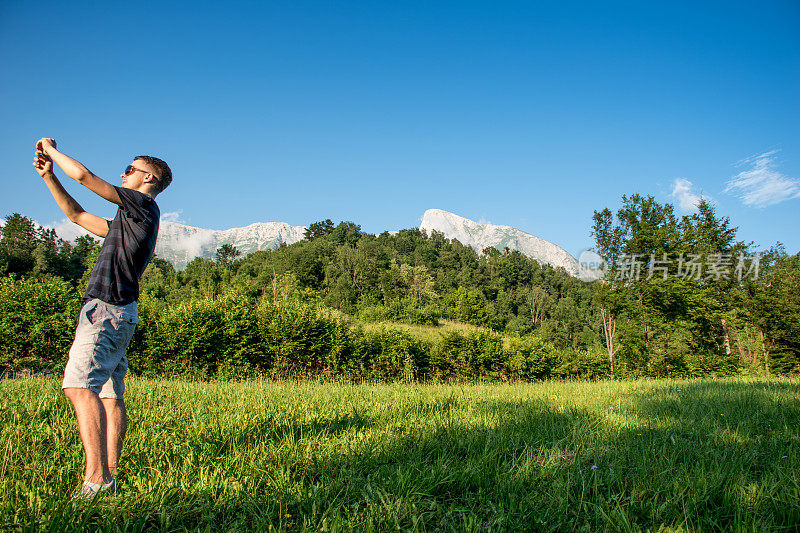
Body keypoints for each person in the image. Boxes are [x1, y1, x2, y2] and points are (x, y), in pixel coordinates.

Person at [33, 138, 172, 498]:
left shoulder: (142, 206)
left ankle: (97, 480)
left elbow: (83, 176)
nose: (123, 174)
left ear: (149, 180)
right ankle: (108, 475)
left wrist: (51, 150)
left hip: (107, 310)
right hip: (117, 313)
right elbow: (77, 215)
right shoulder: (128, 222)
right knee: (109, 396)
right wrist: (49, 177)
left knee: (79, 388)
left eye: (130, 169)